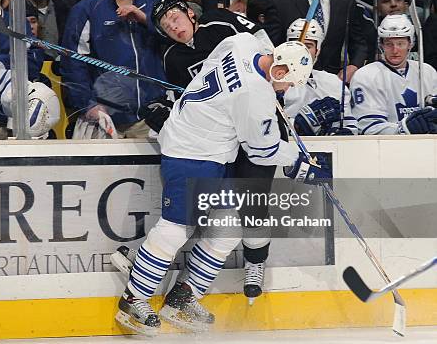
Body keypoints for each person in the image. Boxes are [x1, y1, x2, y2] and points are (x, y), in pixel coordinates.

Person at [115, 31, 330, 335]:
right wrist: (300, 160)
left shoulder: (243, 43)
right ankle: (133, 299)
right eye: (287, 82)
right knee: (177, 228)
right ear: (279, 70)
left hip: (211, 146)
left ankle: (183, 297)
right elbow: (262, 150)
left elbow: (229, 53)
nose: (286, 89)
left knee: (229, 226)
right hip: (191, 150)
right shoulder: (256, 96)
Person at [61, 0, 165, 139]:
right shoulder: (86, 9)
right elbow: (73, 62)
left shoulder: (155, 6)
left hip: (149, 116)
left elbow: (175, 38)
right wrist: (87, 104)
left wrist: (145, 20)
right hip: (103, 115)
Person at [350, 14, 437, 135]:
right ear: (381, 45)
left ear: (410, 44)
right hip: (385, 149)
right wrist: (403, 129)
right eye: (389, 44)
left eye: (400, 43)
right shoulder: (366, 76)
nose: (395, 50)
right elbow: (368, 127)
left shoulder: (427, 71)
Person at [283, 18, 357, 136]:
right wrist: (298, 125)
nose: (302, 51)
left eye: (308, 46)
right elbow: (265, 128)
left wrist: (341, 134)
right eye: (297, 45)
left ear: (317, 50)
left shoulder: (333, 83)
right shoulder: (273, 83)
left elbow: (351, 127)